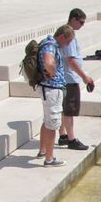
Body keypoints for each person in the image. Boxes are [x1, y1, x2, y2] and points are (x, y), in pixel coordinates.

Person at [37, 24, 75, 166]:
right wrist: (53, 73)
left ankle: (42, 150)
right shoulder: (51, 46)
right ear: (61, 36)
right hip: (52, 89)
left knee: (47, 121)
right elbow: (48, 61)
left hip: (48, 89)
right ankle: (49, 158)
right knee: (53, 125)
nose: (68, 44)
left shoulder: (49, 43)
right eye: (68, 41)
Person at [58, 8, 94, 151]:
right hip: (69, 78)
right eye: (81, 22)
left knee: (64, 108)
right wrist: (85, 77)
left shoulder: (66, 32)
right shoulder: (69, 35)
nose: (82, 25)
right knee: (69, 110)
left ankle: (63, 135)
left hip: (65, 77)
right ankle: (71, 139)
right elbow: (71, 60)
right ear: (73, 19)